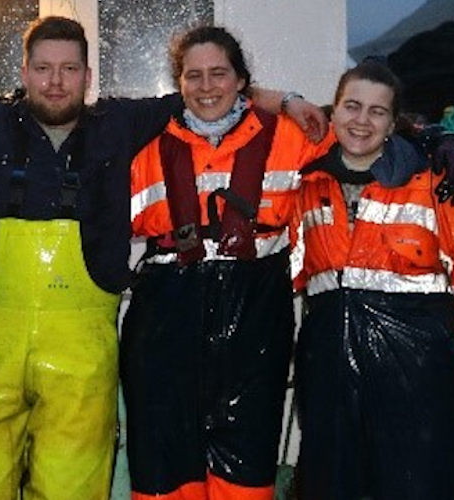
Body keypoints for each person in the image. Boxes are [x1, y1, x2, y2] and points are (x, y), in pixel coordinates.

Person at [0, 16, 327, 500]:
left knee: (72, 484)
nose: (55, 82)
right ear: (25, 71)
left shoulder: (119, 124)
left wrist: (287, 100)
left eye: (69, 69)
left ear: (88, 76)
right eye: (43, 68)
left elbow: (210, 92)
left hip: (83, 357)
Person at [120, 26, 344, 500]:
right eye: (194, 76)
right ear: (178, 83)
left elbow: (366, 141)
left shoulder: (292, 134)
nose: (207, 87)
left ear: (242, 80)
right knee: (163, 478)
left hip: (255, 331)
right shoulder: (145, 144)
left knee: (244, 482)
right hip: (164, 333)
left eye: (219, 74)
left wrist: (440, 148)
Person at [289, 60, 454, 500]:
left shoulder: (440, 183)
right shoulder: (308, 185)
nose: (362, 121)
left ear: (393, 124)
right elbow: (291, 271)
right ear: (333, 112)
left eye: (377, 111)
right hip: (330, 373)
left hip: (420, 375)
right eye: (352, 106)